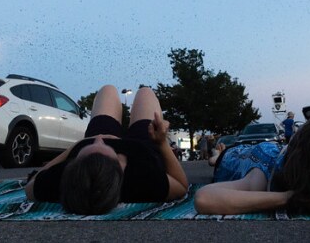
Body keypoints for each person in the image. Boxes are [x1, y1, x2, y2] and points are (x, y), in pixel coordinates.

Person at [24, 84, 189, 214]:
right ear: (122, 166)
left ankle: (89, 149)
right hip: (143, 146)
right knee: (145, 92)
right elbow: (182, 186)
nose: (99, 140)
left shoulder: (59, 182)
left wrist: (76, 146)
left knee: (108, 90)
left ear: (72, 164)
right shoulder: (143, 181)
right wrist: (161, 143)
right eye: (104, 145)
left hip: (91, 151)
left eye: (91, 146)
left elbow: (31, 185)